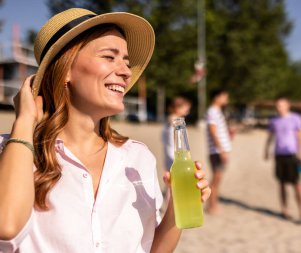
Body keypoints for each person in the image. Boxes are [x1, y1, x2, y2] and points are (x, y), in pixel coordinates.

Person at [0, 8, 211, 253]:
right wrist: (25, 120)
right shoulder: (14, 152)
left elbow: (152, 249)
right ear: (65, 69)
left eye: (126, 62)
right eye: (110, 57)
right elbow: (6, 227)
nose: (125, 72)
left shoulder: (138, 158)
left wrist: (177, 208)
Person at [264, 96, 301, 222]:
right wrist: (266, 150)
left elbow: (300, 137)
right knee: (281, 184)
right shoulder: (274, 120)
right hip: (279, 155)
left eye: (281, 105)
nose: (279, 107)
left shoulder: (296, 118)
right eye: (277, 105)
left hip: (292, 155)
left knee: (296, 184)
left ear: (288, 105)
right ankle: (285, 210)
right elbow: (270, 137)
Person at [206, 89, 232, 214]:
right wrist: (221, 150)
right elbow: (212, 131)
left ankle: (213, 204)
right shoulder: (212, 111)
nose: (226, 99)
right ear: (217, 97)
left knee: (218, 179)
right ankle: (211, 206)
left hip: (220, 150)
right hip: (217, 151)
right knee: (216, 179)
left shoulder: (217, 112)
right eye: (224, 96)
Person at [161, 96, 191, 202]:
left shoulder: (169, 120)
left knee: (170, 181)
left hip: (168, 155)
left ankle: (169, 202)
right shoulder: (177, 121)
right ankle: (171, 204)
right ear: (177, 108)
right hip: (174, 156)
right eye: (185, 108)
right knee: (174, 182)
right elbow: (179, 141)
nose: (187, 111)